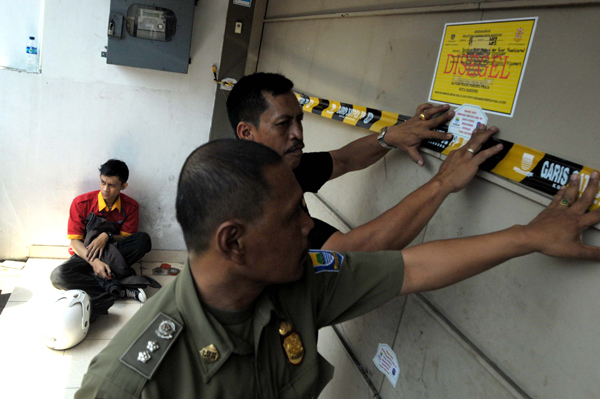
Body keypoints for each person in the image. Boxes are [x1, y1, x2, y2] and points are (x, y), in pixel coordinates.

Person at [76, 139, 600, 398]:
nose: (310, 226)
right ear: (234, 241)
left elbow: (412, 268)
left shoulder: (297, 282)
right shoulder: (131, 382)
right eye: (293, 216)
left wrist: (526, 236)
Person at [226, 72, 505, 251]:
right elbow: (353, 251)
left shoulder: (277, 166)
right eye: (283, 124)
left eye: (299, 120)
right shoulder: (255, 202)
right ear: (246, 133)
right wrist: (444, 182)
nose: (298, 134)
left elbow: (343, 160)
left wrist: (392, 136)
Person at [50, 159, 153, 319]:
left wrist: (107, 236)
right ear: (100, 178)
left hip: (114, 253)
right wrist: (94, 262)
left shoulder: (131, 206)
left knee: (143, 240)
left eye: (112, 185)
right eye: (103, 182)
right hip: (86, 254)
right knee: (58, 276)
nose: (105, 189)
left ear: (123, 186)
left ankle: (103, 282)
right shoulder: (81, 203)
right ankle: (118, 287)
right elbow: (75, 242)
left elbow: (127, 238)